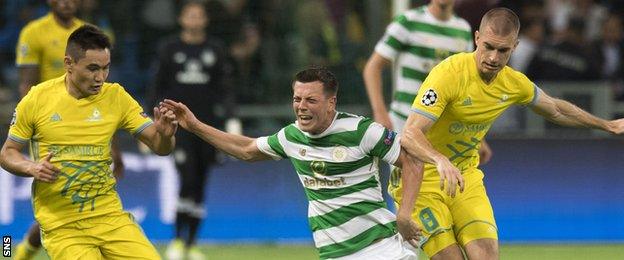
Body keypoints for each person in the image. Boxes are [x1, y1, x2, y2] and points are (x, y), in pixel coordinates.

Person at [397, 8, 624, 260]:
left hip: (465, 179)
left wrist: (607, 125)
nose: (493, 57)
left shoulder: (513, 83)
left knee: (486, 256)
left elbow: (557, 109)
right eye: (489, 47)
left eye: (502, 50)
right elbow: (410, 133)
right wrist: (440, 160)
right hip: (421, 183)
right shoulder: (448, 74)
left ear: (514, 47)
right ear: (476, 39)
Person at [160, 67, 436, 260]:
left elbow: (411, 159)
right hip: (333, 253)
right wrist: (194, 126)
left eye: (311, 100)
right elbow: (245, 149)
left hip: (380, 249)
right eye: (297, 99)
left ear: (331, 102)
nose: (301, 106)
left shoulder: (362, 131)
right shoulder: (292, 136)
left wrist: (404, 214)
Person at [0, 24, 178, 259]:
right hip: (62, 225)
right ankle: (16, 252)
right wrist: (31, 167)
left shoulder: (116, 96)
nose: (100, 78)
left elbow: (160, 147)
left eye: (105, 69)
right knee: (22, 243)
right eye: (93, 68)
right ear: (69, 64)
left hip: (109, 218)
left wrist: (165, 135)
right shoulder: (37, 99)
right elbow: (7, 153)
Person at [12, 1, 123, 259]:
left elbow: (104, 98)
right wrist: (30, 126)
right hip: (50, 123)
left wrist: (114, 146)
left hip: (90, 123)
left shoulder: (91, 35)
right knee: (64, 203)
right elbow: (26, 86)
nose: (67, 2)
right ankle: (12, 252)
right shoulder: (34, 32)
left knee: (69, 208)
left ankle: (18, 254)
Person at [362, 0, 491, 205]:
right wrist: (380, 111)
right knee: (407, 192)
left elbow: (466, 83)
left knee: (443, 191)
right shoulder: (408, 22)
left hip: (443, 129)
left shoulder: (462, 29)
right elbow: (373, 67)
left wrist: (478, 137)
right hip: (405, 122)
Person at [147, 2, 235, 259]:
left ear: (205, 20)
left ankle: (192, 244)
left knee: (201, 184)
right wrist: (152, 121)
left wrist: (231, 119)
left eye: (199, 15)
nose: (195, 20)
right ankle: (176, 240)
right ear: (182, 19)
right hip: (178, 129)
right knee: (187, 180)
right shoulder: (169, 49)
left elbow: (225, 87)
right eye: (190, 15)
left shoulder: (215, 50)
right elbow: (156, 87)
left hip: (207, 128)